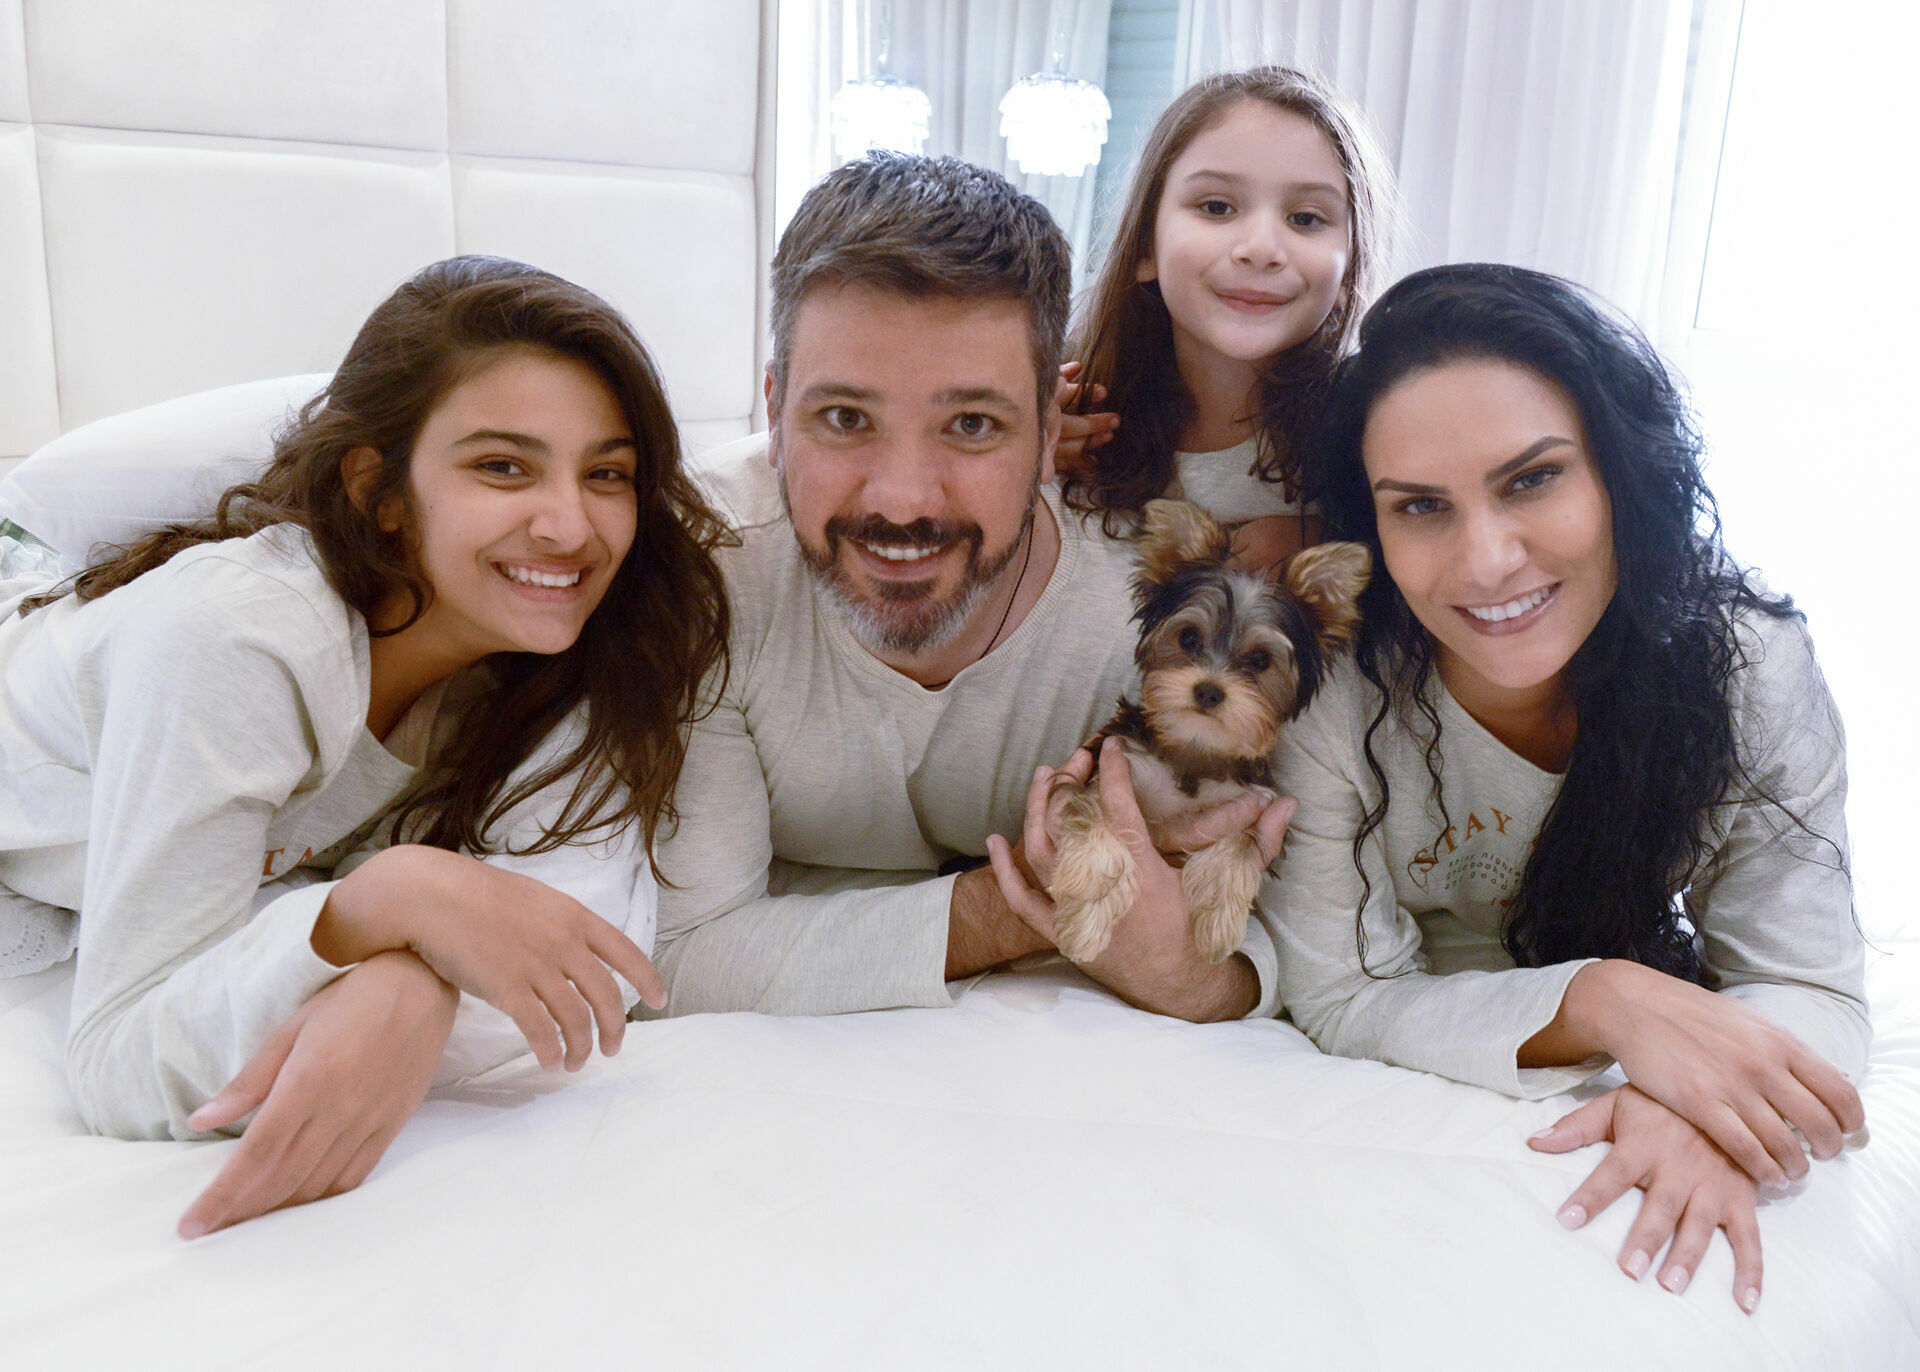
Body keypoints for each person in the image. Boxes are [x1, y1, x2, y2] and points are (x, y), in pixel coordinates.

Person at [0, 255, 731, 1234]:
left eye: (607, 473)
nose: (570, 524)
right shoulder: (237, 640)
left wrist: (412, 969)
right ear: (378, 489)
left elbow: (568, 935)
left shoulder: (554, 660)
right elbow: (116, 1053)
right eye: (501, 466)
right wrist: (386, 903)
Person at [1269, 262, 1868, 1310]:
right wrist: (1603, 1000)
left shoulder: (1753, 667)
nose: (1488, 560)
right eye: (1422, 507)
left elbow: (1809, 982)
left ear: (1621, 477)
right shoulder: (1336, 692)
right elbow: (1342, 990)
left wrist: (1701, 1099)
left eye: (1533, 479)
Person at [649, 153, 1293, 1024]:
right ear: (773, 410)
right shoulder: (701, 569)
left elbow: (1274, 942)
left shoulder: (1154, 621)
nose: (903, 500)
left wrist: (1192, 977)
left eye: (973, 425)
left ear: (1050, 430)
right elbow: (683, 954)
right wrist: (1020, 906)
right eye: (845, 419)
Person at [1056, 65, 1395, 569]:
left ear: (1349, 273)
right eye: (1216, 207)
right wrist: (1020, 462)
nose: (1261, 249)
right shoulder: (1067, 413)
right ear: (1146, 246)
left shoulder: (1376, 436)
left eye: (1305, 218)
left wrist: (1335, 541)